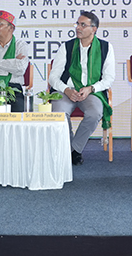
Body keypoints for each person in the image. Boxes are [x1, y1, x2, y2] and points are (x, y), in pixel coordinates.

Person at [48, 11, 115, 166]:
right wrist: (66, 90)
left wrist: (91, 88)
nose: (78, 27)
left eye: (83, 25)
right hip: (66, 91)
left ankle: (74, 150)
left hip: (91, 92)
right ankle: (71, 149)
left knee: (95, 113)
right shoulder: (67, 47)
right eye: (77, 24)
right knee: (59, 113)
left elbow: (109, 78)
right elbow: (53, 77)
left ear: (94, 29)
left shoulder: (105, 47)